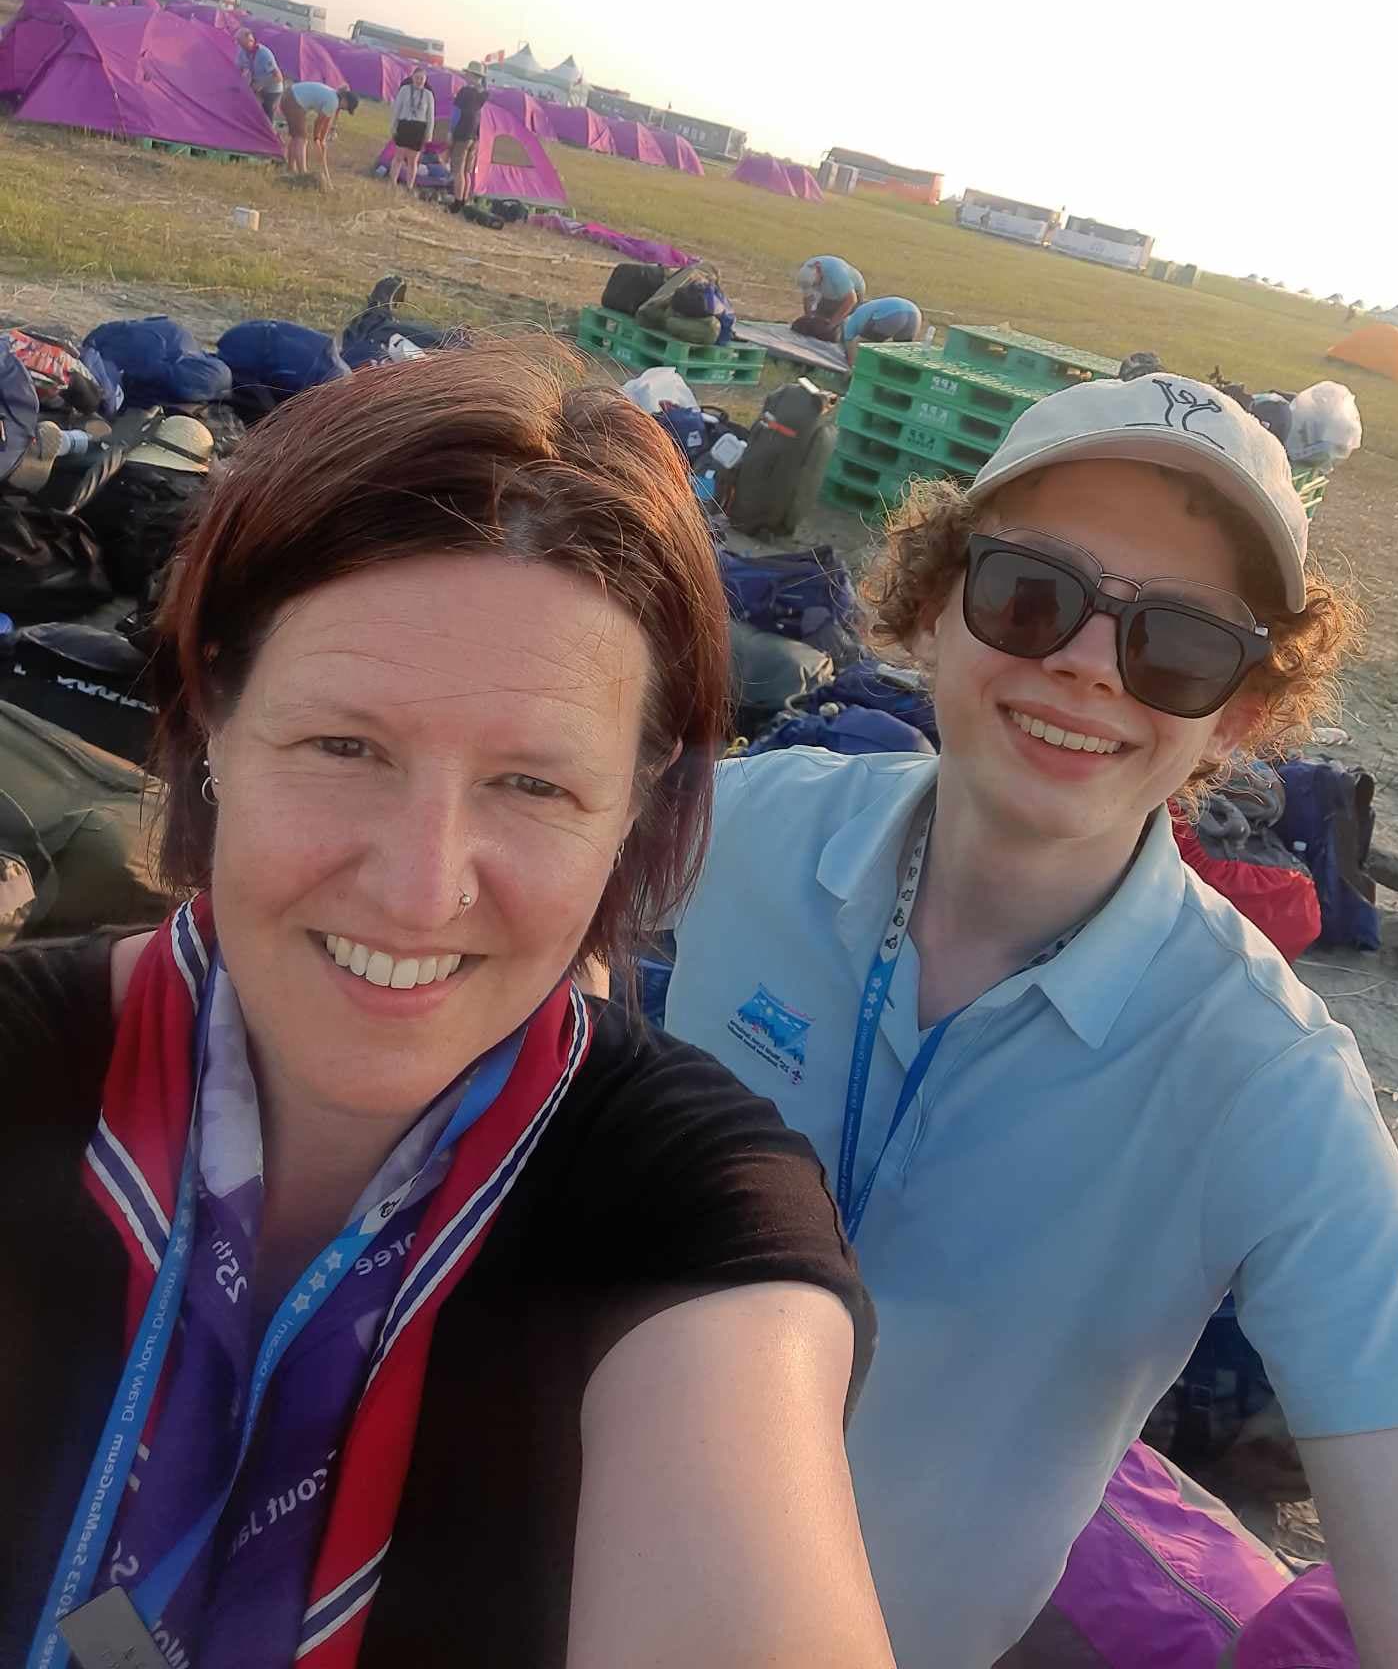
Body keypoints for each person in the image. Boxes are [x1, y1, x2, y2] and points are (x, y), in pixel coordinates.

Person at [3, 346, 895, 1669]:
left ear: (636, 807)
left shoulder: (689, 1209)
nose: (421, 890)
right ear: (211, 727)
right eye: (344, 746)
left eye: (534, 785)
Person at [667, 370, 1398, 1668]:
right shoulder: (743, 825)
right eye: (1030, 592)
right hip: (540, 1559)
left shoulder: (1266, 1083)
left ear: (1240, 715)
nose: (1088, 664)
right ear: (932, 605)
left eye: (1180, 643)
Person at [283, 80, 359, 191]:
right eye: (347, 107)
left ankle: (291, 169)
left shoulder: (333, 98)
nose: (345, 109)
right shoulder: (333, 102)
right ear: (345, 100)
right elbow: (318, 122)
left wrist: (322, 140)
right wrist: (316, 138)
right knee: (301, 139)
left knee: (296, 137)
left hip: (290, 95)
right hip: (294, 100)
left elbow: (326, 122)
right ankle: (302, 174)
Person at [794, 254, 866, 341]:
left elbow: (851, 300)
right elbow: (808, 298)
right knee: (819, 323)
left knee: (837, 329)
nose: (815, 287)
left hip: (853, 293)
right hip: (830, 293)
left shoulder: (836, 273)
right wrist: (809, 318)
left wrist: (832, 324)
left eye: (815, 284)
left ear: (819, 273)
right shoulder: (806, 274)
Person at [388, 66, 436, 194]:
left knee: (412, 160)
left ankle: (409, 186)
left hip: (418, 128)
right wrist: (393, 126)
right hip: (404, 125)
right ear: (412, 78)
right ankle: (392, 183)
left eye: (421, 79)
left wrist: (429, 134)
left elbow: (430, 116)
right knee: (398, 157)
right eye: (417, 78)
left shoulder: (428, 95)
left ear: (425, 80)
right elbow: (396, 109)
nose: (419, 81)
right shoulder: (404, 90)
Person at [447, 62, 488, 212]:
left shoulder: (465, 92)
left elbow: (456, 113)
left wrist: (450, 131)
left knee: (458, 169)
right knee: (467, 171)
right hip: (475, 136)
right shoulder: (484, 94)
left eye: (468, 73)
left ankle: (457, 203)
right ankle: (464, 200)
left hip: (462, 133)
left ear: (472, 75)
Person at [840, 296, 923, 361]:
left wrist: (851, 363)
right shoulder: (864, 309)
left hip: (892, 314)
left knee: (857, 343)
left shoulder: (849, 324)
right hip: (915, 313)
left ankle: (856, 372)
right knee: (901, 351)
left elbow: (850, 344)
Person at [236, 29, 285, 126]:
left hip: (272, 88)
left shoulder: (264, 54)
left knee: (267, 113)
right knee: (250, 108)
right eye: (239, 43)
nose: (240, 46)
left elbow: (278, 77)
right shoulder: (242, 51)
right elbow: (239, 68)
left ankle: (270, 132)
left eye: (242, 43)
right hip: (256, 85)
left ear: (251, 41)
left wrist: (261, 84)